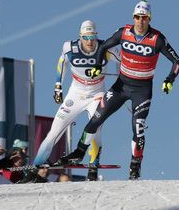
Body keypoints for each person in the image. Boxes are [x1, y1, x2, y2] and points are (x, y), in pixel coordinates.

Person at [55, 0, 179, 180]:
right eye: (137, 17)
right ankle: (79, 152)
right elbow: (104, 46)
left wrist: (170, 79)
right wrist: (98, 65)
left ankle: (135, 167)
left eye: (144, 18)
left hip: (142, 90)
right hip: (121, 86)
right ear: (133, 17)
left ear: (149, 19)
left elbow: (177, 62)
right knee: (95, 119)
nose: (140, 21)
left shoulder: (157, 39)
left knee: (138, 128)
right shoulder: (123, 32)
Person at [32, 19, 120, 181]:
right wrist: (58, 86)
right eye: (86, 38)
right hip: (76, 93)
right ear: (80, 37)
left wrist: (120, 84)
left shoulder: (106, 47)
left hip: (96, 94)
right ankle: (34, 168)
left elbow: (123, 62)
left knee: (96, 130)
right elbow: (62, 63)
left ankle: (93, 167)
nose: (89, 41)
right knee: (54, 132)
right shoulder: (69, 47)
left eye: (92, 37)